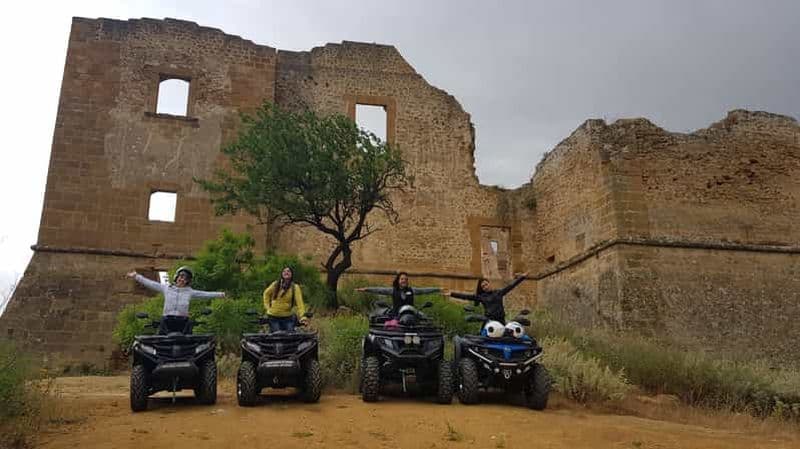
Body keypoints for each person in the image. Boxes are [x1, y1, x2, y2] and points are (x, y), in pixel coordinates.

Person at [127, 266, 226, 335]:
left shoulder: (189, 292)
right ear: (176, 277)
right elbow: (151, 284)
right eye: (181, 276)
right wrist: (136, 276)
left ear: (188, 281)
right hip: (167, 320)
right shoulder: (167, 288)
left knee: (192, 343)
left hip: (183, 322)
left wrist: (221, 294)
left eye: (186, 279)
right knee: (157, 342)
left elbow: (205, 294)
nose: (182, 279)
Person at [445, 272, 529, 323]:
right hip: (489, 321)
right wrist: (452, 294)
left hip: (501, 320)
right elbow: (466, 296)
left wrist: (522, 277)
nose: (485, 287)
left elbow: (511, 286)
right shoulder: (481, 297)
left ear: (489, 283)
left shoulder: (499, 292)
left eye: (486, 284)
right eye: (483, 286)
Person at [356, 272, 443, 315]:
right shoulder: (393, 290)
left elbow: (424, 290)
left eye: (405, 279)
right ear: (398, 280)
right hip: (397, 315)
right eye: (402, 279)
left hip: (410, 315)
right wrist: (366, 289)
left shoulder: (412, 290)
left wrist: (438, 289)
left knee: (424, 318)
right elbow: (379, 290)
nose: (404, 281)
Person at [262, 266, 308, 333]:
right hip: (273, 316)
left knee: (290, 335)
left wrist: (303, 317)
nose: (286, 272)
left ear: (291, 274)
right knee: (277, 335)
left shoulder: (295, 287)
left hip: (288, 317)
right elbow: (266, 294)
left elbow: (300, 303)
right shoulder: (275, 284)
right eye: (284, 271)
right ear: (281, 274)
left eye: (288, 271)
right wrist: (267, 307)